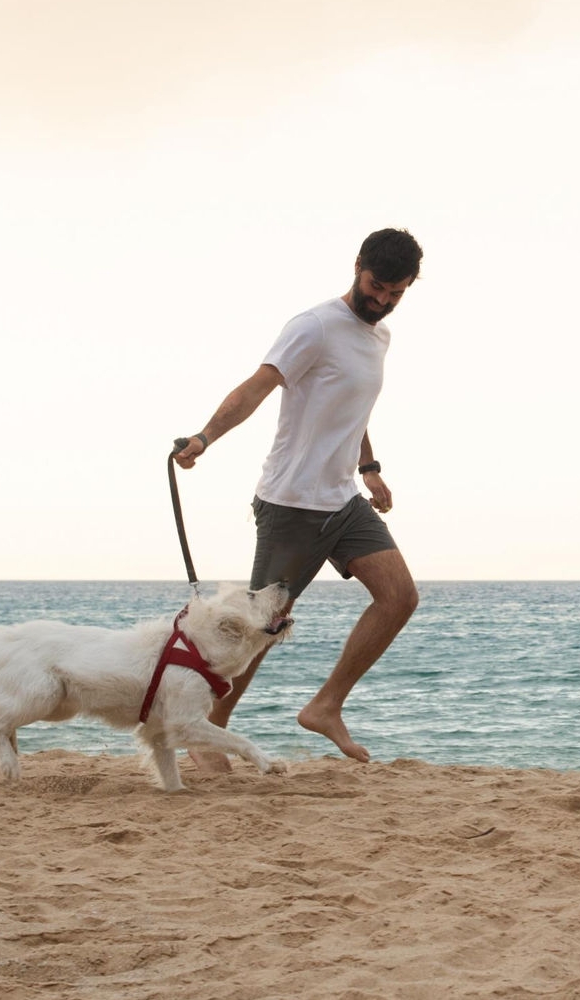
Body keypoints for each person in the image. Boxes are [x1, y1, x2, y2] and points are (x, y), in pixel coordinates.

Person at [174, 227, 423, 772]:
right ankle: (207, 729)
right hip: (291, 504)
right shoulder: (313, 327)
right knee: (260, 627)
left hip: (343, 500)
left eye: (395, 293)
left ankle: (326, 705)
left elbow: (350, 410)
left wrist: (370, 468)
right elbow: (255, 389)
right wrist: (203, 439)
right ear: (357, 266)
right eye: (375, 286)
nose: (381, 300)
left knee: (400, 597)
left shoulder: (379, 337)